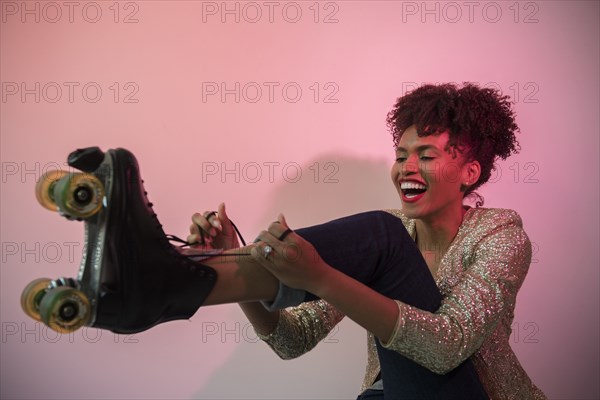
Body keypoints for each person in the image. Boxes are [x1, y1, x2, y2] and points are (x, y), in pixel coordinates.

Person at [187, 83, 547, 399]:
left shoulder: (502, 238)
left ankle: (184, 278)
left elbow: (446, 346)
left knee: (384, 234)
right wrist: (232, 253)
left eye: (425, 155)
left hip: (467, 393)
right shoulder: (384, 242)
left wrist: (320, 278)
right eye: (401, 156)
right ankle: (190, 276)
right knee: (386, 232)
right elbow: (291, 340)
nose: (405, 167)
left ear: (470, 173)